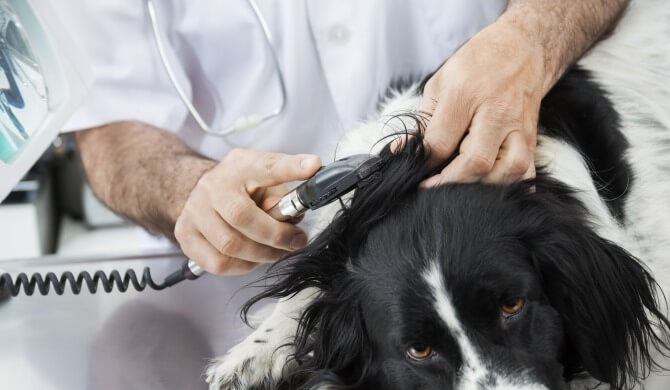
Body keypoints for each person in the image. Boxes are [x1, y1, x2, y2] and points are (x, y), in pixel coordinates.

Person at [52, 1, 628, 275]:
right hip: (246, 284)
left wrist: (532, 37)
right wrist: (193, 193)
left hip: (499, 246)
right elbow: (111, 128)